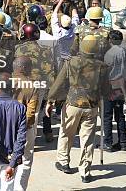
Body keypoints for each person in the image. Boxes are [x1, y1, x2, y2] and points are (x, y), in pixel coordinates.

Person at [46, 35, 110, 183]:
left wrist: (50, 100)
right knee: (87, 140)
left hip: (72, 105)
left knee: (66, 133)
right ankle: (85, 172)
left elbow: (58, 84)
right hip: (91, 107)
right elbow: (106, 90)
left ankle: (63, 162)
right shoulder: (102, 66)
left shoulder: (71, 62)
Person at [10, 56, 39, 191]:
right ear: (24, 68)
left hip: (7, 129)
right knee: (26, 161)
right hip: (26, 128)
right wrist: (23, 127)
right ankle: (20, 188)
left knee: (8, 161)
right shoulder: (32, 85)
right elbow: (31, 112)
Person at [102, 30, 126, 152]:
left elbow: (104, 72)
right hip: (122, 88)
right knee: (120, 115)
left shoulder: (109, 54)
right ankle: (123, 142)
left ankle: (108, 143)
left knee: (107, 116)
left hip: (110, 87)